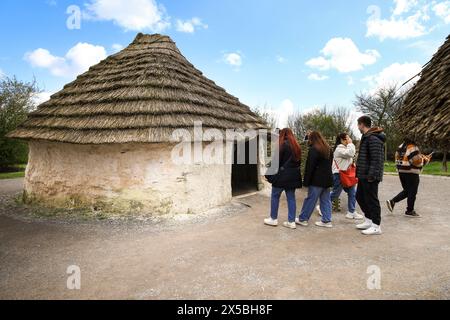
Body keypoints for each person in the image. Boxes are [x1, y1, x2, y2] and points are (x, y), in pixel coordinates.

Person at [264, 128, 302, 229]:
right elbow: (298, 163)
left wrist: (268, 174)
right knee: (291, 198)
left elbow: (276, 162)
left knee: (275, 196)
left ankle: (273, 219)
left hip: (281, 177)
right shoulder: (297, 146)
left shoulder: (282, 145)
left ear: (282, 134)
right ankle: (291, 222)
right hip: (292, 177)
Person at [355, 116, 386, 235]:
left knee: (372, 199)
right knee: (360, 197)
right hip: (364, 174)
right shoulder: (366, 137)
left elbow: (376, 159)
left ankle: (376, 226)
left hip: (370, 176)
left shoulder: (373, 138)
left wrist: (371, 175)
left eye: (358, 125)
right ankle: (368, 220)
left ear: (362, 124)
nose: (358, 127)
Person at [386, 138, 432, 217]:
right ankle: (409, 210)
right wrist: (426, 159)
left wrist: (422, 157)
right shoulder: (412, 147)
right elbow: (416, 161)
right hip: (411, 172)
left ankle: (392, 202)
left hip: (401, 171)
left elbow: (400, 158)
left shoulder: (400, 146)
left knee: (407, 191)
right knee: (412, 192)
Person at [297, 131, 334, 228]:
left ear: (312, 139)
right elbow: (329, 165)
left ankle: (303, 219)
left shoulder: (314, 149)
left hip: (317, 180)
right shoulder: (328, 149)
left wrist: (306, 181)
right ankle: (326, 220)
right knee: (325, 200)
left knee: (310, 199)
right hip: (327, 179)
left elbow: (310, 167)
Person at [330, 133, 363, 220]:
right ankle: (322, 206)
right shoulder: (339, 149)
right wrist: (351, 144)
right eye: (347, 138)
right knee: (335, 194)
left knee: (352, 193)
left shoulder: (345, 148)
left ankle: (351, 212)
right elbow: (351, 153)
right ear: (342, 140)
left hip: (347, 174)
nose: (349, 140)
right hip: (339, 174)